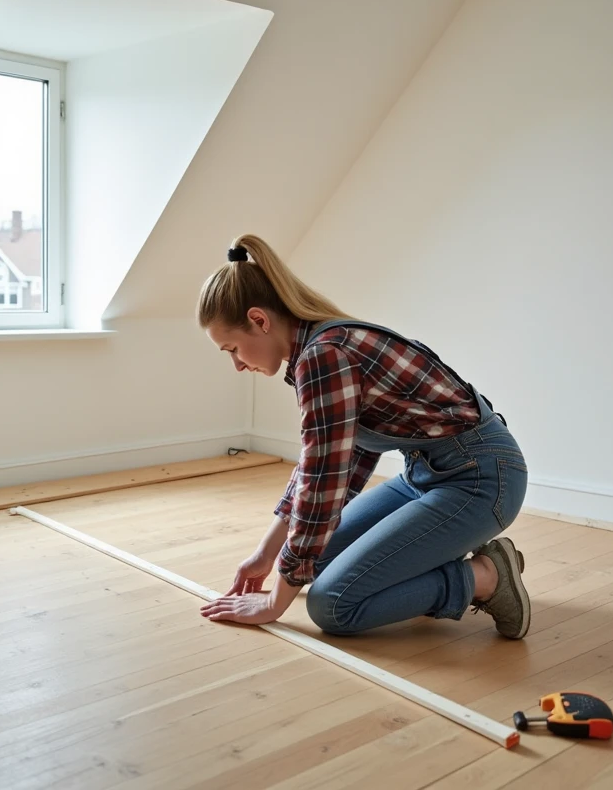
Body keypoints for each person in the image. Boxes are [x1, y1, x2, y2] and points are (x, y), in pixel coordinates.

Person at [196, 235, 530, 639]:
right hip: (425, 477)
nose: (236, 364)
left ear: (260, 320)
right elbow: (334, 464)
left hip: (481, 480)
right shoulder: (323, 345)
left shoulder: (324, 356)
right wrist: (267, 555)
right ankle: (434, 549)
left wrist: (273, 603)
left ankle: (486, 576)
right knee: (311, 564)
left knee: (332, 605)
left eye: (232, 348)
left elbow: (322, 484)